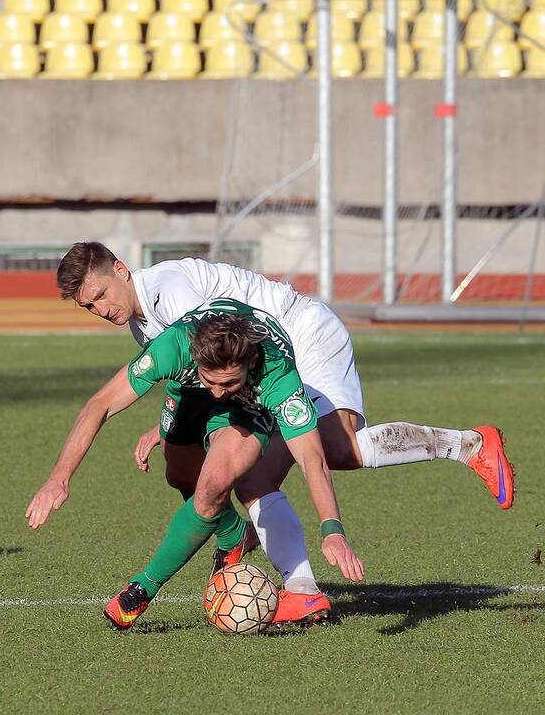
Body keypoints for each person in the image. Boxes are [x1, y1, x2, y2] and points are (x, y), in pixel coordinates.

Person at [41, 241, 515, 626]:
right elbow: (201, 372)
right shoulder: (148, 323)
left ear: (121, 270)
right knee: (245, 478)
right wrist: (167, 425)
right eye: (89, 306)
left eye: (101, 295)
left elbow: (216, 357)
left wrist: (334, 528)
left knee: (335, 448)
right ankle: (302, 591)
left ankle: (469, 445)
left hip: (299, 336)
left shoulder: (171, 293)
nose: (100, 309)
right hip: (250, 363)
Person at [27, 301, 365, 631]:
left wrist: (331, 529)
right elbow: (100, 405)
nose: (218, 393)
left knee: (212, 485)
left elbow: (312, 459)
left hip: (247, 407)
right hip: (187, 392)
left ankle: (142, 588)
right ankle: (233, 534)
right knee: (179, 477)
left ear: (249, 364)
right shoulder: (173, 347)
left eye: (228, 383)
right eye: (211, 380)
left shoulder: (278, 376)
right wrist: (59, 478)